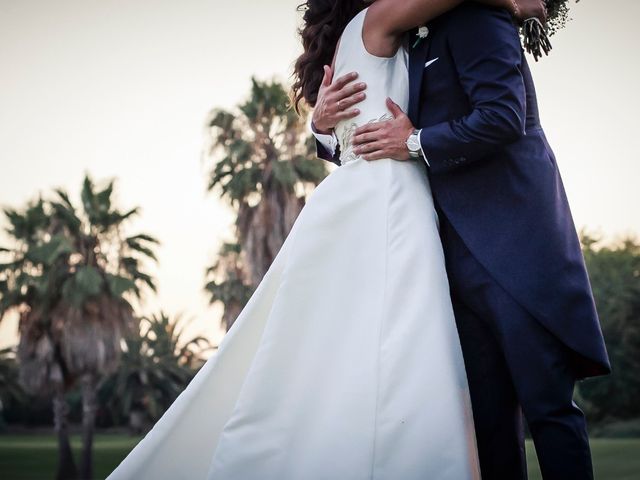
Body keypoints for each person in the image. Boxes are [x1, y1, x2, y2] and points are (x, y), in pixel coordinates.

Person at [106, 1, 544, 479]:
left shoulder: (364, 32)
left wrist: (320, 124)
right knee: (403, 337)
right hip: (389, 196)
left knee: (352, 344)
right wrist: (517, 4)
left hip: (362, 194)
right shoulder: (379, 17)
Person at [312, 1, 612, 479]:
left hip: (513, 247)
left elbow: (503, 115)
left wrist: (415, 142)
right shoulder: (405, 36)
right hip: (445, 257)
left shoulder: (481, 18)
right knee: (489, 426)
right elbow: (369, 136)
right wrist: (322, 127)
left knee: (549, 410)